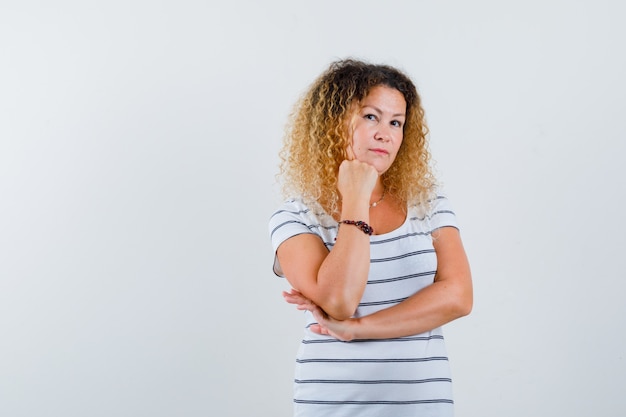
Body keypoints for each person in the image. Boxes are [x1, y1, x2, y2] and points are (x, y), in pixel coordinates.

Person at [268, 58, 473, 417]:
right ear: (334, 120)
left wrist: (359, 330)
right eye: (371, 117)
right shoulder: (296, 215)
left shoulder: (428, 203)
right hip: (333, 405)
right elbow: (339, 301)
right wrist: (355, 200)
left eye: (396, 122)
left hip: (421, 406)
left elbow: (458, 297)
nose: (386, 133)